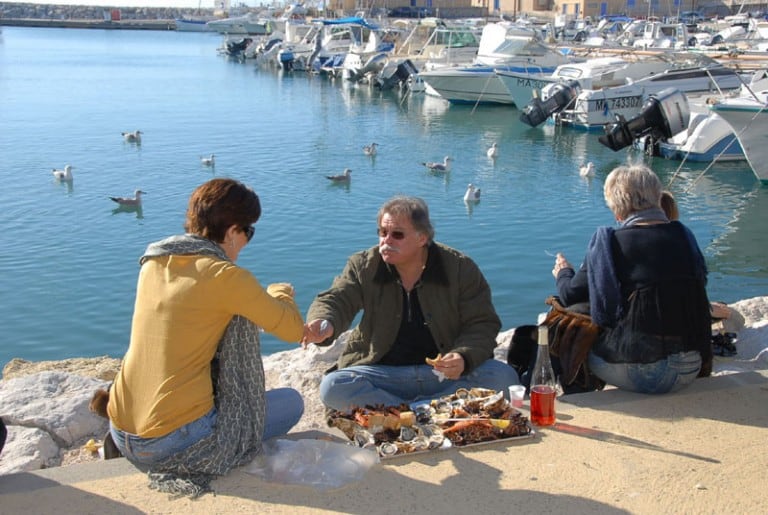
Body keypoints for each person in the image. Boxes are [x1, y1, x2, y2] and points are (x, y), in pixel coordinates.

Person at [107, 178, 305, 496]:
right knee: (292, 403)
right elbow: (294, 329)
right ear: (231, 232)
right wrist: (280, 292)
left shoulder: (155, 260)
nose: (247, 241)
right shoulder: (226, 277)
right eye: (248, 232)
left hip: (120, 429)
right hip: (165, 442)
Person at [302, 195, 519, 411]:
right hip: (383, 373)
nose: (386, 241)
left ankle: (403, 412)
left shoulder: (459, 268)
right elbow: (338, 297)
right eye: (382, 232)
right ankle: (431, 410)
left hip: (442, 374)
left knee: (504, 377)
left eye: (397, 234)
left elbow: (482, 323)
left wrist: (463, 356)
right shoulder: (364, 265)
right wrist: (323, 323)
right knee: (333, 387)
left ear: (422, 237)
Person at [551, 165, 712, 394]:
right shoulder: (685, 236)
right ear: (657, 197)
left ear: (617, 210)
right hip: (691, 367)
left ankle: (580, 400)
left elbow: (569, 296)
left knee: (566, 325)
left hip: (645, 374)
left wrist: (563, 272)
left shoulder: (609, 243)